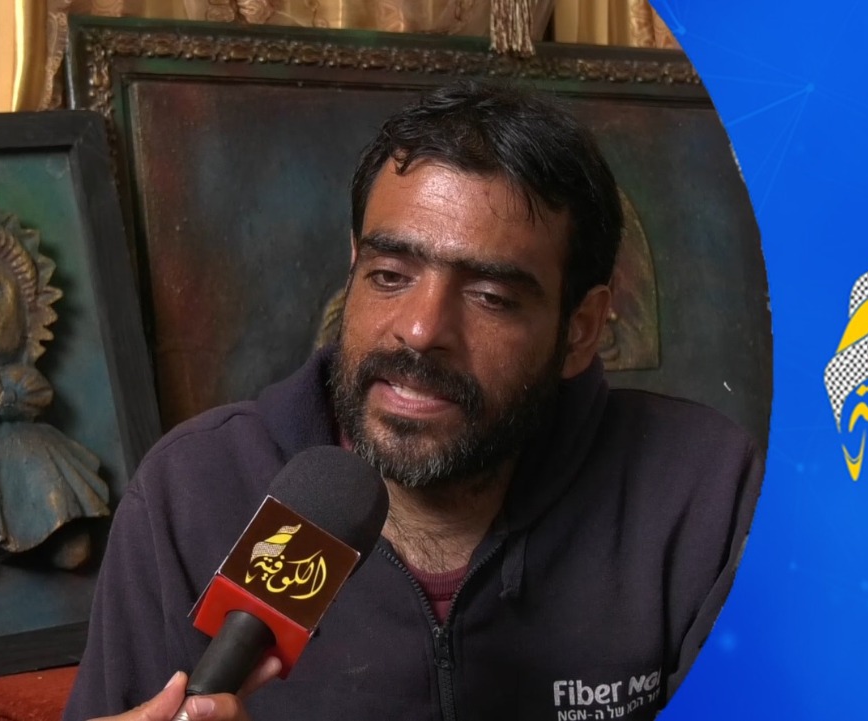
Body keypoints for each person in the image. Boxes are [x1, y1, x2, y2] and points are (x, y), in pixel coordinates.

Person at [64, 80, 763, 721]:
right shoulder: (190, 492)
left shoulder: (700, 491)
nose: (422, 330)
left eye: (491, 296)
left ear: (580, 330)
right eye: (390, 275)